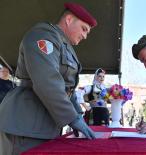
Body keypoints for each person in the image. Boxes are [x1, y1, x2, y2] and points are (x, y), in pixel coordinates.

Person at [0, 2, 97, 154]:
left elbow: (67, 89)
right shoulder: (44, 35)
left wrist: (78, 114)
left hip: (43, 126)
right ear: (69, 19)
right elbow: (47, 81)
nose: (85, 36)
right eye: (84, 29)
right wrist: (73, 118)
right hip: (26, 125)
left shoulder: (64, 45)